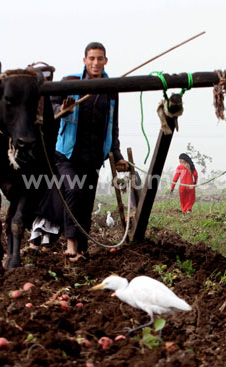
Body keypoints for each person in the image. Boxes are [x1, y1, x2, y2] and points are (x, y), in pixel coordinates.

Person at [48, 42, 129, 262]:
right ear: (84, 60)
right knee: (73, 190)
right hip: (67, 154)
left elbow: (112, 125)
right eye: (91, 58)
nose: (95, 62)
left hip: (93, 157)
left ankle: (82, 248)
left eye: (99, 58)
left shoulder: (110, 89)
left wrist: (117, 155)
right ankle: (71, 243)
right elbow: (53, 105)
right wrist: (62, 110)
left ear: (105, 61)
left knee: (86, 201)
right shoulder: (71, 82)